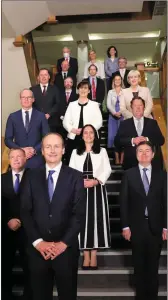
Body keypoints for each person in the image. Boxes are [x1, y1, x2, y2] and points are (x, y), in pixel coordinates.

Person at [20, 133, 85, 300]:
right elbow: (25, 212)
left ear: (63, 150)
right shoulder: (30, 176)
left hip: (66, 250)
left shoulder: (76, 177)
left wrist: (62, 244)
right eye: (48, 146)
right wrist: (38, 242)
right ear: (42, 151)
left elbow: (79, 214)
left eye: (57, 146)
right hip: (37, 251)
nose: (52, 150)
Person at [120, 141, 167, 300]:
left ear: (153, 154)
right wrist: (125, 226)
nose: (144, 154)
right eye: (141, 151)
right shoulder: (129, 174)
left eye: (148, 151)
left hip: (156, 227)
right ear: (136, 154)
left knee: (153, 268)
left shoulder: (162, 175)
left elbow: (165, 202)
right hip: (136, 228)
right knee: (139, 267)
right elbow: (124, 202)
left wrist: (166, 227)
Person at [69, 125, 111, 269]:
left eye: (91, 132)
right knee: (82, 221)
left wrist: (96, 181)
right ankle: (85, 255)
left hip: (97, 190)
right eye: (85, 132)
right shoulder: (75, 152)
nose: (88, 135)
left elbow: (107, 169)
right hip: (80, 191)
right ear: (82, 136)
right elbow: (70, 170)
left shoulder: (102, 151)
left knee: (95, 221)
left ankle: (94, 255)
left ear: (95, 135)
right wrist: (80, 183)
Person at [2, 148, 30, 300]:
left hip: (28, 230)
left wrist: (20, 220)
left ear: (25, 158)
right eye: (13, 156)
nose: (16, 159)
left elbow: (37, 204)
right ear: (9, 159)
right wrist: (8, 220)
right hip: (5, 231)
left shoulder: (34, 178)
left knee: (29, 268)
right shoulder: (1, 179)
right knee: (5, 266)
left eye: (19, 156)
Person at [114, 97, 165, 170]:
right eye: (135, 105)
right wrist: (132, 140)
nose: (138, 108)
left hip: (150, 165)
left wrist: (147, 139)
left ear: (144, 107)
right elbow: (117, 141)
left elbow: (161, 140)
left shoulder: (152, 123)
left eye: (140, 105)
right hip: (130, 165)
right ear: (131, 108)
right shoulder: (124, 124)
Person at [5, 89, 49, 168]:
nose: (26, 99)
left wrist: (34, 150)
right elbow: (7, 139)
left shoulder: (41, 116)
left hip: (37, 159)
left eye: (29, 97)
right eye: (23, 97)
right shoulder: (12, 117)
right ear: (20, 100)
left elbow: (47, 137)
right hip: (18, 160)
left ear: (33, 99)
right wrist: (21, 150)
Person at [63, 80, 103, 163]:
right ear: (78, 90)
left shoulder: (94, 105)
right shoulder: (72, 104)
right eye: (81, 88)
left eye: (85, 88)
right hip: (74, 136)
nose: (83, 90)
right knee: (72, 161)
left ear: (89, 91)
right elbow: (65, 121)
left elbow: (99, 122)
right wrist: (73, 129)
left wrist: (86, 130)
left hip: (90, 138)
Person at [30, 68, 60, 132]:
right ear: (38, 77)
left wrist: (49, 114)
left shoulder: (55, 89)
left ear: (49, 77)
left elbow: (57, 104)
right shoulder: (32, 89)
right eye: (41, 75)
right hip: (36, 121)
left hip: (51, 121)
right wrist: (38, 115)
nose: (43, 77)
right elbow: (30, 104)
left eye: (45, 75)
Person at [107, 75, 124, 164]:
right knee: (113, 137)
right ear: (113, 81)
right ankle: (117, 158)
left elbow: (126, 103)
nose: (117, 81)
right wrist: (114, 113)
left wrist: (120, 112)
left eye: (119, 79)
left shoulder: (124, 91)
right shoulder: (110, 92)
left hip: (123, 115)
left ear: (121, 81)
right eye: (115, 79)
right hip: (113, 116)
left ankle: (122, 158)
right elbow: (109, 105)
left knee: (123, 137)